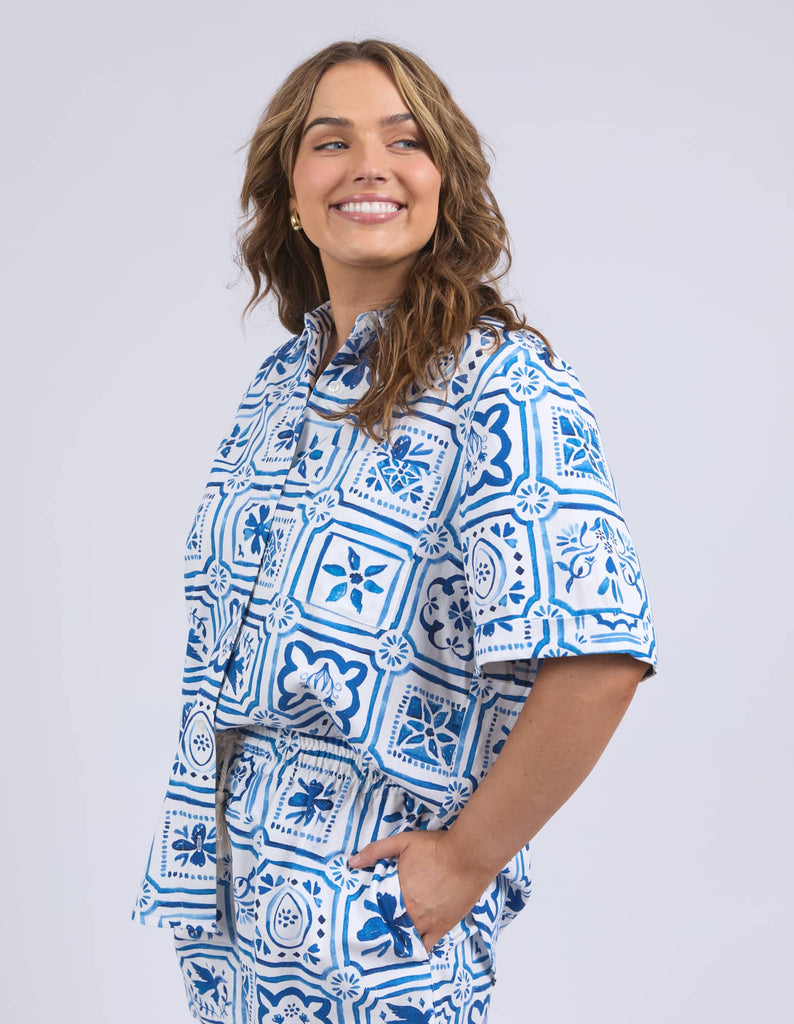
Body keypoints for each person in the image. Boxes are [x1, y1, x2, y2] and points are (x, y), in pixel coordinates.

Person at [132, 38, 657, 1024]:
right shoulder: (282, 386)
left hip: (370, 931)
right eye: (330, 141)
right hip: (230, 923)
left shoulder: (498, 386)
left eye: (404, 140)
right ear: (291, 191)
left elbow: (597, 654)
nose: (368, 164)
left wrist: (461, 862)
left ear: (442, 183)